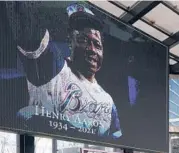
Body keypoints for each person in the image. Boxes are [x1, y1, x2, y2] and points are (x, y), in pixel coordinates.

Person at [15, 3, 122, 139]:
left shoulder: (108, 101)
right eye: (83, 40)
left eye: (97, 45)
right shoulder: (55, 68)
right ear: (70, 42)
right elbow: (29, 29)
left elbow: (116, 140)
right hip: (43, 146)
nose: (92, 50)